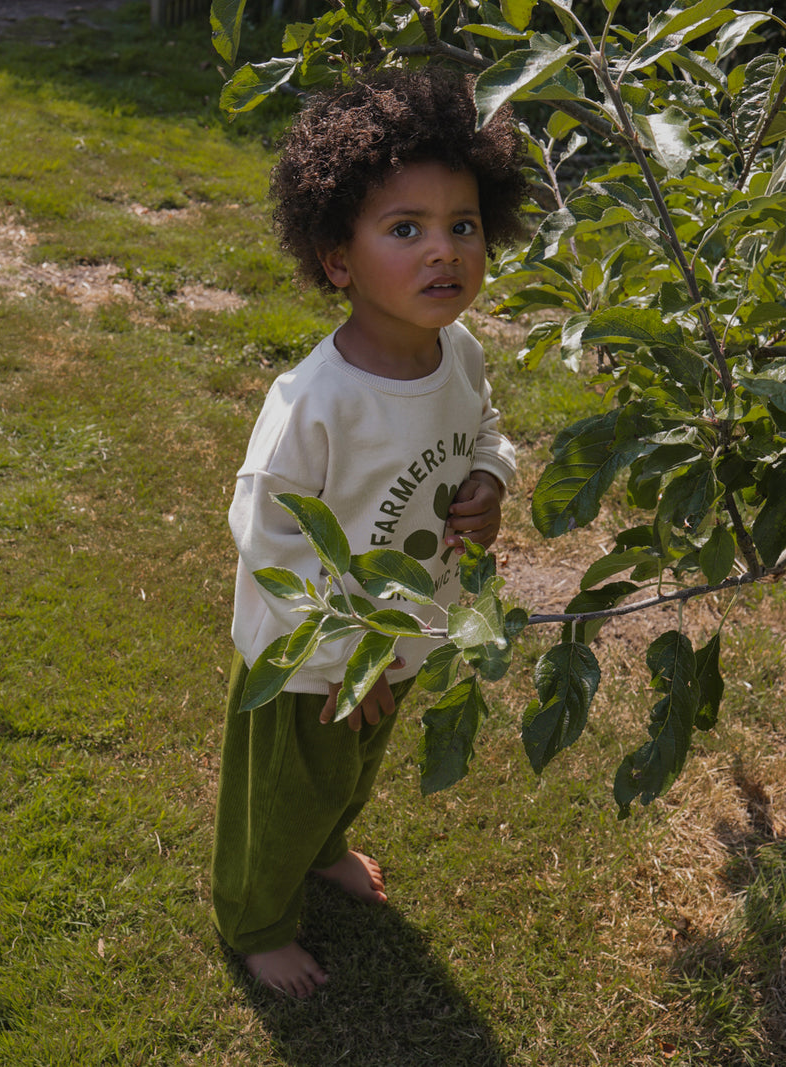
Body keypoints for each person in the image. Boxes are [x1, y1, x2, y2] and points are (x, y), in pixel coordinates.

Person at [211, 66, 528, 998]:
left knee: (351, 774)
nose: (445, 253)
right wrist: (345, 658)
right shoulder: (317, 403)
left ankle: (327, 846)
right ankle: (255, 916)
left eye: (462, 226)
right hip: (306, 657)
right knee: (284, 791)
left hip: (401, 636)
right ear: (338, 259)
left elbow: (486, 427)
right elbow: (269, 542)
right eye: (406, 229)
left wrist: (489, 477)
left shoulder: (459, 354)